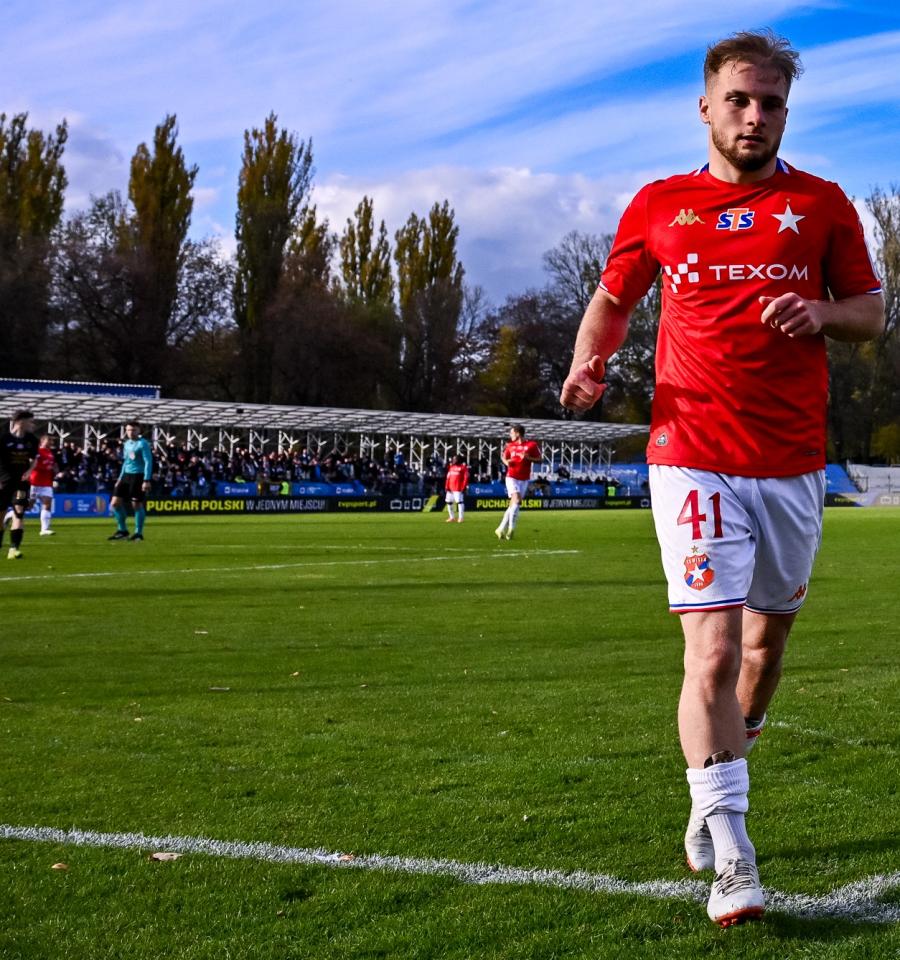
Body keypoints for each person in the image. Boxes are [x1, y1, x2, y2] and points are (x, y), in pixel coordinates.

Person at [560, 29, 884, 927]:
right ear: (705, 106)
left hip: (788, 464)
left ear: (786, 111)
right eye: (739, 100)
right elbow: (614, 300)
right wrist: (589, 363)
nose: (754, 116)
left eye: (771, 102)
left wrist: (819, 312)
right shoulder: (661, 204)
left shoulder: (821, 205)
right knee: (708, 650)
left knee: (763, 652)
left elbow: (870, 313)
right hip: (690, 449)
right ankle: (733, 853)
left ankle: (713, 782)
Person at [0, 410, 40, 559]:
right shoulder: (4, 438)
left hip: (22, 482)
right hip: (4, 481)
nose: (33, 424)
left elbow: (34, 459)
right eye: (31, 421)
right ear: (20, 421)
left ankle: (14, 549)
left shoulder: (32, 440)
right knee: (1, 515)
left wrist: (29, 471)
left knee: (19, 512)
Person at [109, 422, 153, 541]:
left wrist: (146, 480)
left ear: (139, 431)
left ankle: (138, 533)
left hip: (138, 476)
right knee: (114, 503)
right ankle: (122, 530)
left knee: (136, 505)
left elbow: (148, 462)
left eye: (133, 430)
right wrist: (119, 478)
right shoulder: (127, 444)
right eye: (128, 430)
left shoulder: (143, 444)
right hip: (125, 476)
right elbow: (126, 461)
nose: (130, 432)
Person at [495, 425, 542, 541]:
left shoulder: (532, 445)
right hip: (511, 477)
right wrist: (507, 462)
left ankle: (500, 529)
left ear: (517, 433)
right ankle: (511, 529)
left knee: (514, 505)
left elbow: (540, 460)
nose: (510, 435)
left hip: (524, 479)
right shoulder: (510, 446)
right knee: (517, 500)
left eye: (511, 433)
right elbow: (503, 457)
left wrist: (528, 458)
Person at [29, 434, 60, 536]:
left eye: (52, 440)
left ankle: (44, 529)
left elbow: (52, 465)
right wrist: (47, 468)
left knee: (47, 504)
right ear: (42, 441)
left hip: (46, 483)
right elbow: (33, 464)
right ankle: (10, 515)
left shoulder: (50, 453)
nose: (51, 442)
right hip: (35, 481)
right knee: (29, 506)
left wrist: (56, 470)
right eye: (49, 440)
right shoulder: (37, 451)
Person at [444, 455, 470, 523]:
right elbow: (448, 477)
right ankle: (451, 517)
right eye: (453, 459)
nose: (453, 460)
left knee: (459, 502)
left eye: (455, 459)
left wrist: (463, 487)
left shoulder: (463, 468)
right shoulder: (451, 467)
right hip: (450, 488)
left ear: (459, 460)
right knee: (449, 502)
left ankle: (461, 518)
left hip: (458, 488)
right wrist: (446, 486)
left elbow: (465, 478)